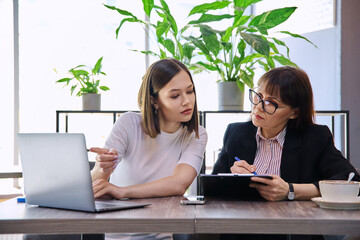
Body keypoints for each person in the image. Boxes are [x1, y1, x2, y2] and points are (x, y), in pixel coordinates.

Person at [212, 66, 360, 240]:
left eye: (271, 103)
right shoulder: (236, 133)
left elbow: (350, 181)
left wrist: (290, 190)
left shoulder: (315, 138)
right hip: (243, 231)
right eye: (258, 96)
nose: (258, 107)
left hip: (293, 231)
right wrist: (231, 176)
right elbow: (211, 190)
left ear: (294, 112)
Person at [90, 58, 208, 240]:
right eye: (175, 96)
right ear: (154, 100)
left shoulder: (196, 134)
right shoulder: (129, 124)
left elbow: (179, 184)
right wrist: (100, 168)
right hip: (118, 235)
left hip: (159, 236)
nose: (187, 101)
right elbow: (95, 186)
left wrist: (123, 191)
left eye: (190, 91)